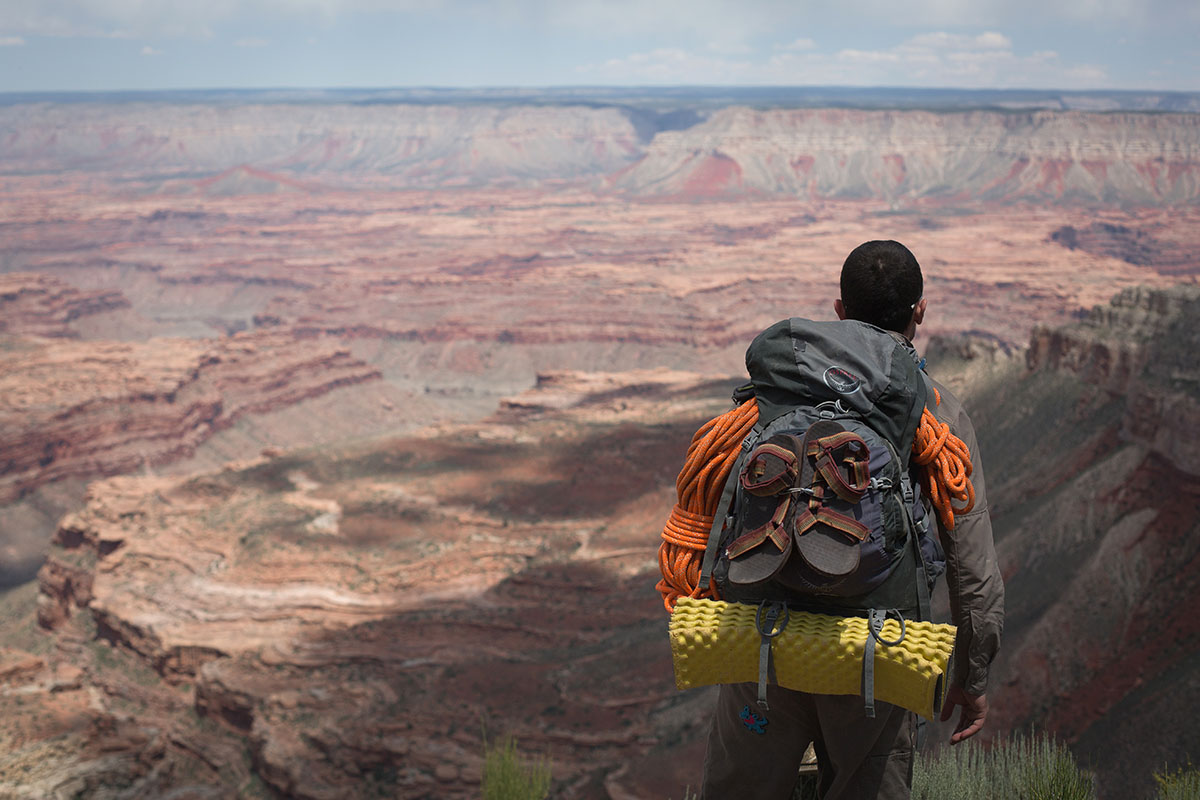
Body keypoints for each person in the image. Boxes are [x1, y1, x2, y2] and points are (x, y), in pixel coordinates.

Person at [699, 240, 1005, 800]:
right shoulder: (936, 411)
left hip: (761, 637)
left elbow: (715, 503)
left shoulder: (773, 397)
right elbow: (972, 563)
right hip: (874, 652)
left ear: (839, 309)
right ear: (920, 311)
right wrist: (973, 673)